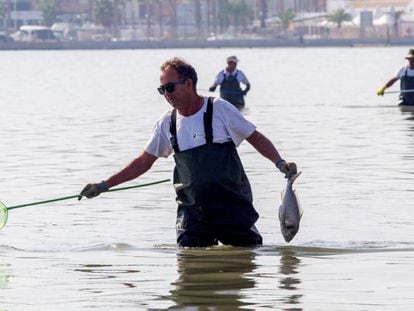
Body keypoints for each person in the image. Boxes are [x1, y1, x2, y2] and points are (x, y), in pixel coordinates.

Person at [78, 57, 297, 248]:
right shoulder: (167, 123)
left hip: (232, 209)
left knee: (245, 262)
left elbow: (255, 137)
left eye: (170, 87)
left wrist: (279, 162)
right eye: (162, 90)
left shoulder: (219, 109)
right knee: (189, 276)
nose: (166, 94)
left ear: (189, 84)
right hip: (192, 216)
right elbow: (143, 162)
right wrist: (103, 185)